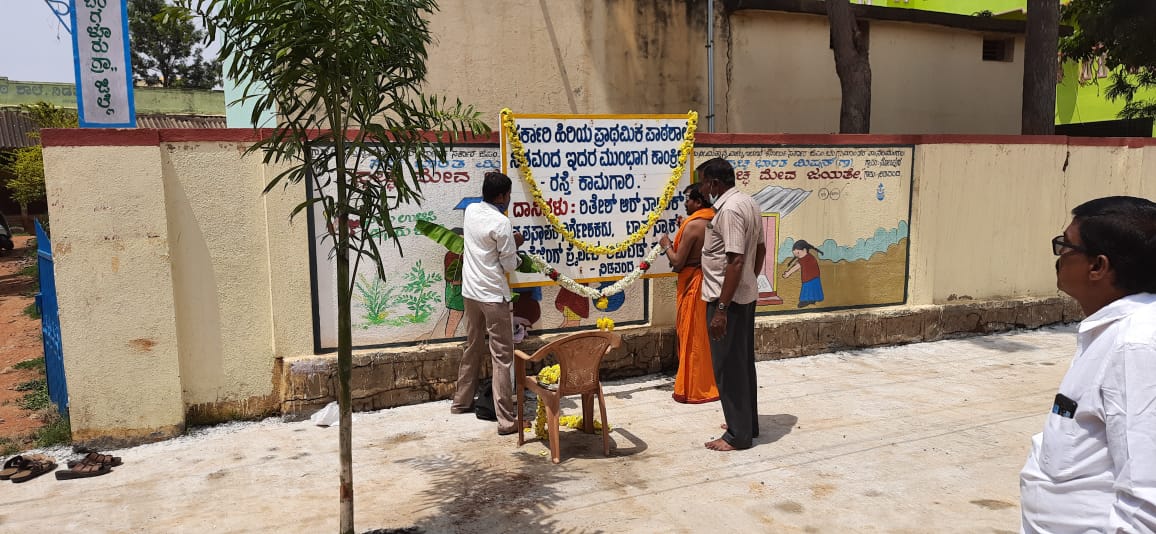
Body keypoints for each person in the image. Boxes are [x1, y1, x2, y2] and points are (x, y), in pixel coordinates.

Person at [1020, 196, 1156, 533]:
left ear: (1098, 266)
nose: (1059, 257)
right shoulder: (1111, 332)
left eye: (1066, 246)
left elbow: (1146, 500)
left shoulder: (1135, 346)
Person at [697, 157, 766, 451]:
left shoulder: (730, 210)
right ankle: (745, 423)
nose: (702, 189)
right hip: (742, 294)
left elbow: (735, 260)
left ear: (714, 183)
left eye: (703, 183)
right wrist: (750, 279)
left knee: (728, 365)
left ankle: (738, 435)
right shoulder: (748, 202)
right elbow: (760, 250)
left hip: (726, 299)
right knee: (742, 362)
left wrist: (722, 310)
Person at [451, 171, 525, 435]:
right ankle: (506, 420)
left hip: (471, 292)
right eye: (509, 195)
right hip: (493, 295)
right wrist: (515, 245)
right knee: (502, 356)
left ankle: (461, 402)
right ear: (503, 196)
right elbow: (509, 264)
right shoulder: (502, 223)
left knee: (472, 346)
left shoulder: (471, 211)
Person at [659, 183, 719, 404]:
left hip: (694, 285)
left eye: (688, 199)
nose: (685, 203)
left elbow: (677, 262)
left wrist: (666, 244)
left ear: (698, 201)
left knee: (692, 337)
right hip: (710, 282)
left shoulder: (694, 226)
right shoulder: (714, 219)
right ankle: (710, 382)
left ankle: (695, 388)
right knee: (704, 337)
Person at [781, 240, 825, 308]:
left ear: (804, 250)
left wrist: (788, 273)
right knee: (811, 288)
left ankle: (806, 301)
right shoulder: (805, 258)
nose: (797, 256)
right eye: (795, 254)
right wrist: (788, 273)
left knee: (808, 289)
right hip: (810, 277)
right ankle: (811, 300)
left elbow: (797, 266)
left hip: (811, 278)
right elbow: (797, 266)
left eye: (798, 253)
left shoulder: (807, 258)